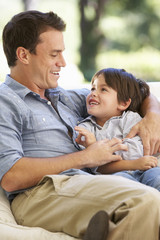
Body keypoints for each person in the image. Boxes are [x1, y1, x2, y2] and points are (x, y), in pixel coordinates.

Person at [1, 10, 160, 240]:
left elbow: (138, 90)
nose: (63, 63)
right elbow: (10, 175)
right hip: (43, 194)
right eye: (54, 54)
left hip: (87, 183)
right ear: (24, 55)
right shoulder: (6, 101)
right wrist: (86, 157)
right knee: (145, 201)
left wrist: (153, 116)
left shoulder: (63, 97)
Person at [75, 68, 160, 191]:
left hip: (147, 170)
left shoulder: (131, 119)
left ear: (123, 103)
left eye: (103, 89)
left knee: (157, 178)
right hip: (117, 175)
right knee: (120, 184)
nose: (93, 93)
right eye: (93, 88)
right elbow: (97, 167)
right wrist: (133, 164)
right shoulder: (85, 129)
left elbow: (140, 148)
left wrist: (101, 151)